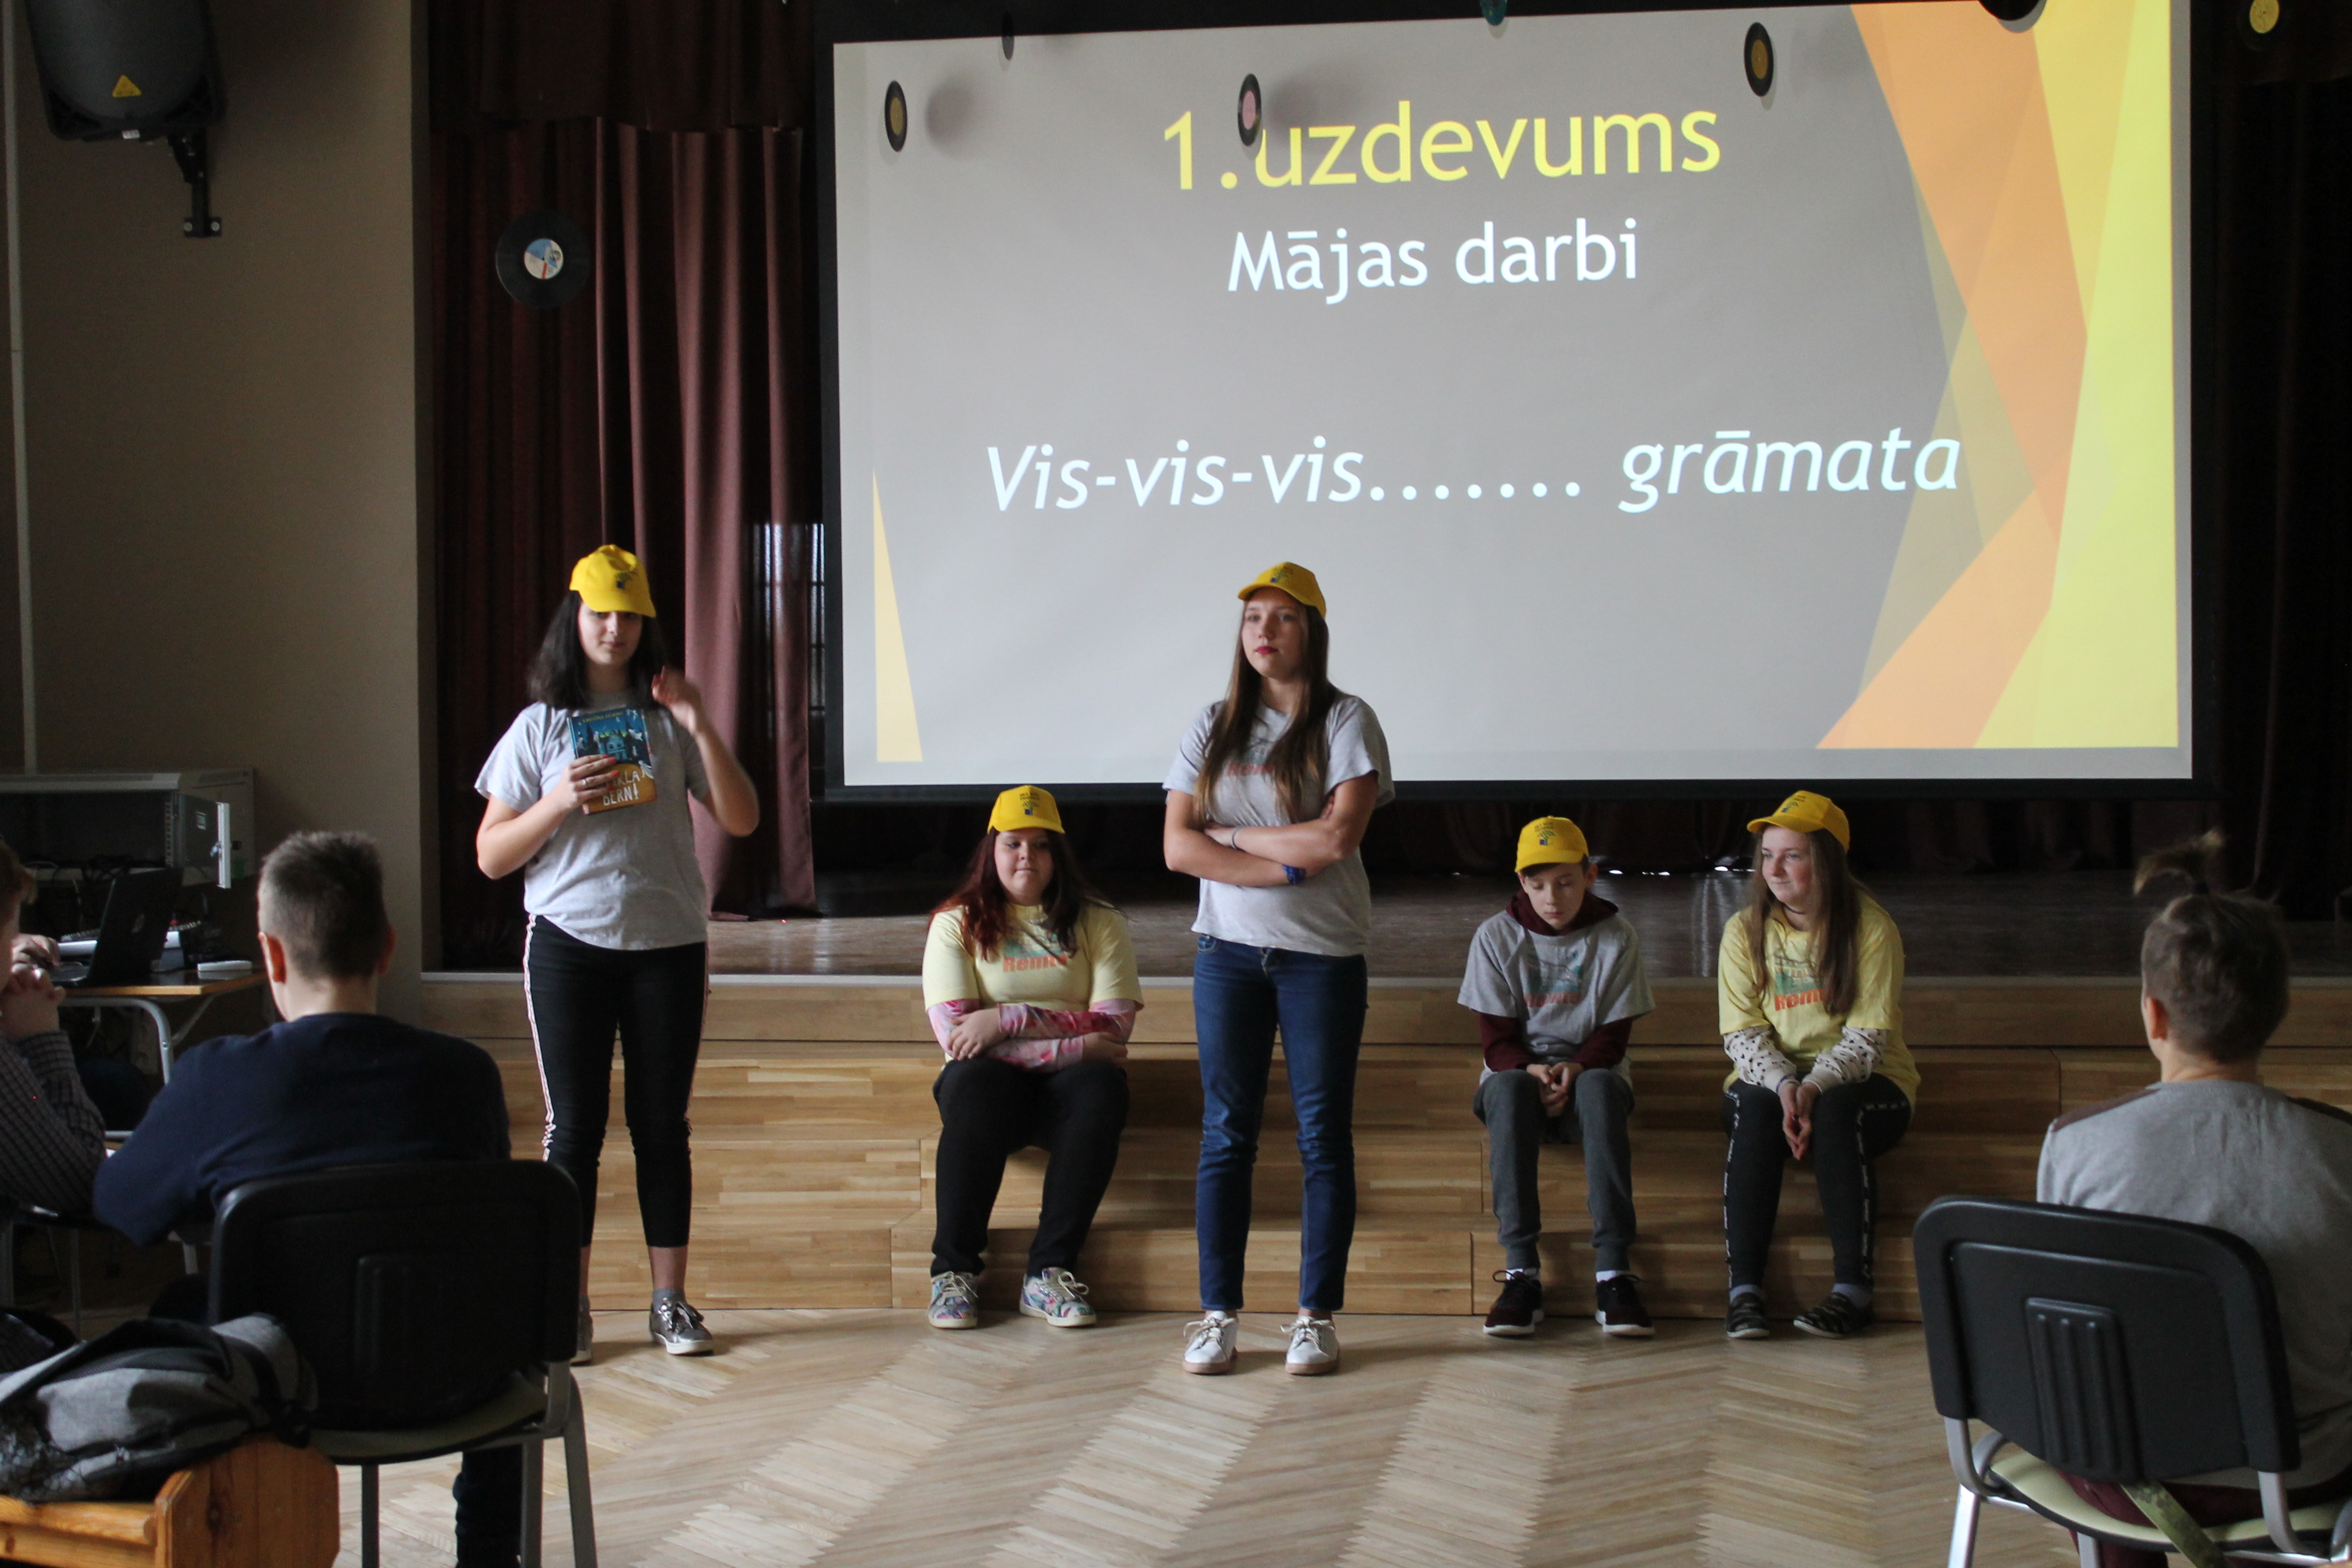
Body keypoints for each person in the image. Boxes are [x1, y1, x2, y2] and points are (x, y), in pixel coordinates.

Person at [92, 832, 524, 1567]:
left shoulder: (217, 1079)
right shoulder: (467, 1075)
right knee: (494, 1305)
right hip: (457, 1381)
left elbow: (120, 1205)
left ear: (272, 955)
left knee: (175, 1310)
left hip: (273, 1391)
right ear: (388, 948)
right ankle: (487, 1554)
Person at [475, 545, 760, 1362]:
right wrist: (559, 799)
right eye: (601, 613)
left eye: (629, 614)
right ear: (576, 618)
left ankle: (670, 1302)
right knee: (573, 1131)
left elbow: (742, 818)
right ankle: (569, 1307)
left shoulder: (669, 720)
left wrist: (699, 721)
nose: (615, 628)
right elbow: (491, 855)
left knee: (662, 1128)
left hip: (668, 944)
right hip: (568, 945)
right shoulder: (539, 726)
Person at [2039, 834, 2352, 1567]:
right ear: (2279, 1010)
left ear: (2153, 1016)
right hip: (2303, 1476)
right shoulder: (2342, 1149)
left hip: (2128, 1478)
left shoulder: (2077, 1144)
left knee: (2102, 1436)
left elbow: (2067, 1324)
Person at [1162, 562, 1392, 1376]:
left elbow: (1336, 840)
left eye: (1283, 617)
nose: (1264, 631)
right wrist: (1275, 861)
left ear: (1312, 632)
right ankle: (1217, 1315)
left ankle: (1314, 1317)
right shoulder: (1212, 724)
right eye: (1253, 617)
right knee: (1227, 1136)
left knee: (1322, 1138)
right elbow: (1177, 846)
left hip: (1320, 959)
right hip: (1227, 955)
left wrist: (1227, 836)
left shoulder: (1346, 720)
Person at [919, 786, 1141, 1330]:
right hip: (991, 1093)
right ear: (991, 852)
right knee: (973, 1081)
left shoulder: (1100, 920)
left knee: (1100, 1087)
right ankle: (954, 1272)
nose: (1026, 857)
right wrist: (1076, 1045)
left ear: (1057, 854)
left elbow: (1113, 1028)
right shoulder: (955, 922)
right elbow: (958, 1037)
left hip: (1071, 1092)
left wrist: (1008, 1019)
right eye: (1013, 844)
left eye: (1041, 845)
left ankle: (1049, 1273)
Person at [1717, 790, 1916, 1341]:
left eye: (1792, 856)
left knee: (1836, 1109)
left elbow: (1866, 1041)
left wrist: (1813, 1087)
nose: (1774, 870)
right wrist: (1786, 1084)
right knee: (1756, 1108)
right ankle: (1745, 1293)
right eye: (1768, 855)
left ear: (1826, 861)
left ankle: (1853, 1293)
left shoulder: (1871, 928)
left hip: (1865, 1083)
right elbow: (1742, 1035)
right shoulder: (1744, 930)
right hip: (1769, 1081)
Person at [1460, 816, 1656, 1338]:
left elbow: (1613, 1036)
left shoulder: (1617, 936)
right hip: (1520, 1075)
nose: (1552, 897)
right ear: (1521, 882)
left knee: (1599, 1087)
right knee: (1507, 1088)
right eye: (1539, 884)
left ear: (1590, 876)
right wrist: (1534, 1071)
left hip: (1592, 1072)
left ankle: (1613, 1271)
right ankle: (1521, 1271)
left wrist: (1577, 1067)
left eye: (1566, 882)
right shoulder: (1495, 936)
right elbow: (1496, 1040)